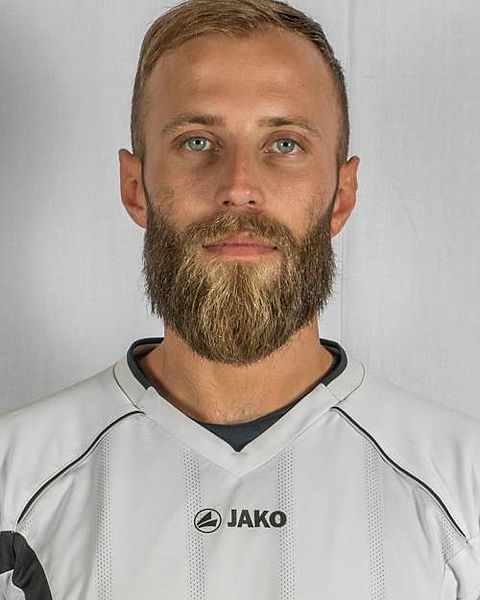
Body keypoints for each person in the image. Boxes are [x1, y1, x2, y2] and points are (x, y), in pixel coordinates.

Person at [1, 0, 479, 597]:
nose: (239, 187)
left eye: (285, 144)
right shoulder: (14, 479)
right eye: (197, 141)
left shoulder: (465, 483)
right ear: (135, 186)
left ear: (342, 194)